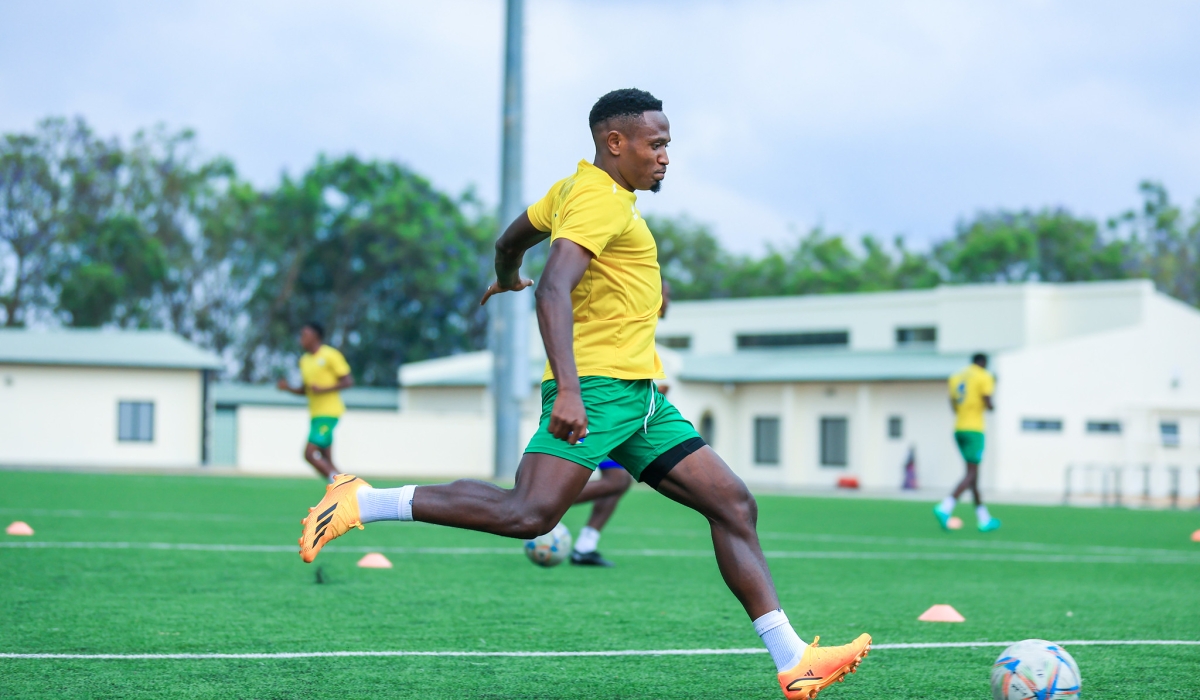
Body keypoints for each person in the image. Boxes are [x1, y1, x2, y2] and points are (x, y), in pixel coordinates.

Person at [296, 89, 869, 699]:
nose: (666, 157)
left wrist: (505, 274)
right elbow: (553, 289)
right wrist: (568, 388)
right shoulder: (599, 200)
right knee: (528, 514)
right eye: (656, 144)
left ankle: (793, 660)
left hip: (641, 399)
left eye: (668, 144)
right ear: (615, 142)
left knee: (733, 505)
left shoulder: (574, 190)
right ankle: (363, 501)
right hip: (597, 390)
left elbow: (510, 240)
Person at [570, 279, 672, 567]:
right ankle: (547, 505)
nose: (668, 301)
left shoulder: (651, 340)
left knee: (618, 482)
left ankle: (584, 544)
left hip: (623, 421)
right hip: (603, 411)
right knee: (615, 481)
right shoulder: (629, 327)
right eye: (665, 293)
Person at [276, 322, 354, 482]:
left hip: (329, 413)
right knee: (327, 460)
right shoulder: (304, 360)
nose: (301, 339)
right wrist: (288, 388)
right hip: (315, 415)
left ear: (316, 337)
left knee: (309, 453)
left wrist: (323, 389)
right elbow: (306, 390)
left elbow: (348, 381)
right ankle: (349, 489)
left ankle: (343, 486)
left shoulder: (330, 355)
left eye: (304, 335)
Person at [934, 352, 1001, 532]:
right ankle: (946, 506)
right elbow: (988, 401)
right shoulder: (984, 376)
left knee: (973, 475)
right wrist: (992, 406)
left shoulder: (956, 377)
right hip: (974, 430)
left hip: (959, 428)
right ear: (983, 362)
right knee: (971, 473)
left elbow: (953, 405)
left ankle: (984, 519)